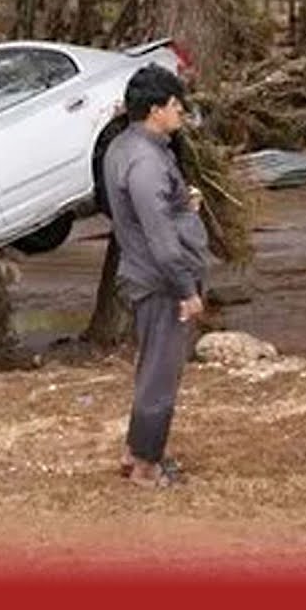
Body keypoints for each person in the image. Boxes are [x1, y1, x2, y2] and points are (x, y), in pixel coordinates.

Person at [102, 64, 208, 489]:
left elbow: (153, 212)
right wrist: (186, 289)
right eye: (174, 104)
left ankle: (135, 451)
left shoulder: (127, 147)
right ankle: (146, 467)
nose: (180, 111)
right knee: (161, 374)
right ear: (154, 110)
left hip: (147, 274)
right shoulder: (145, 162)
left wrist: (184, 204)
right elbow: (161, 238)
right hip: (160, 282)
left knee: (152, 369)